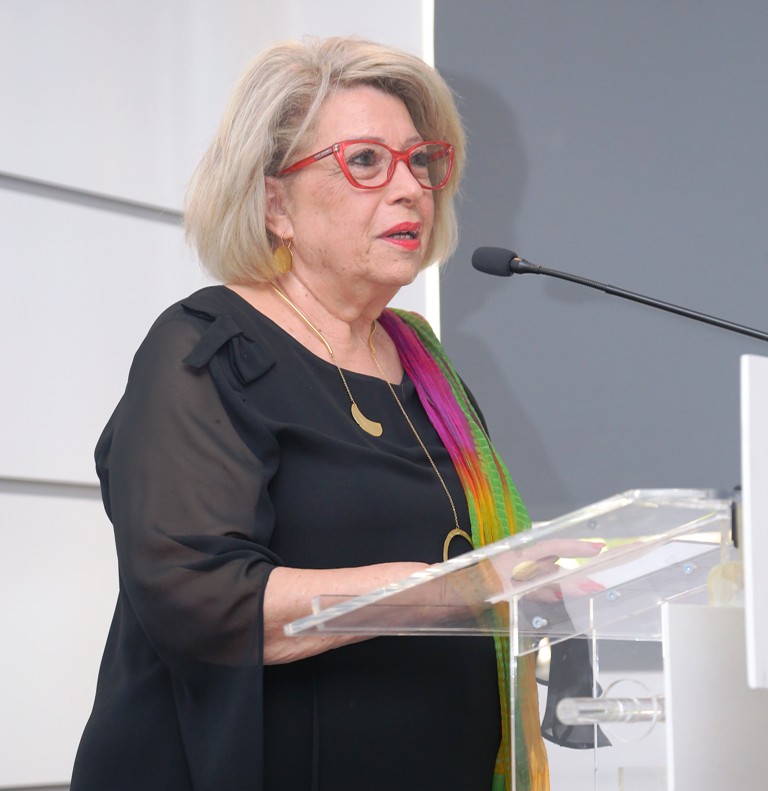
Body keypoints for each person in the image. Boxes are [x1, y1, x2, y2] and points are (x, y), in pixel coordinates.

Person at [70, 36, 558, 791]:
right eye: (366, 161)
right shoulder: (207, 352)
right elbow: (201, 598)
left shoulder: (428, 367)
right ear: (276, 204)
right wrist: (438, 590)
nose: (411, 189)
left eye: (421, 161)